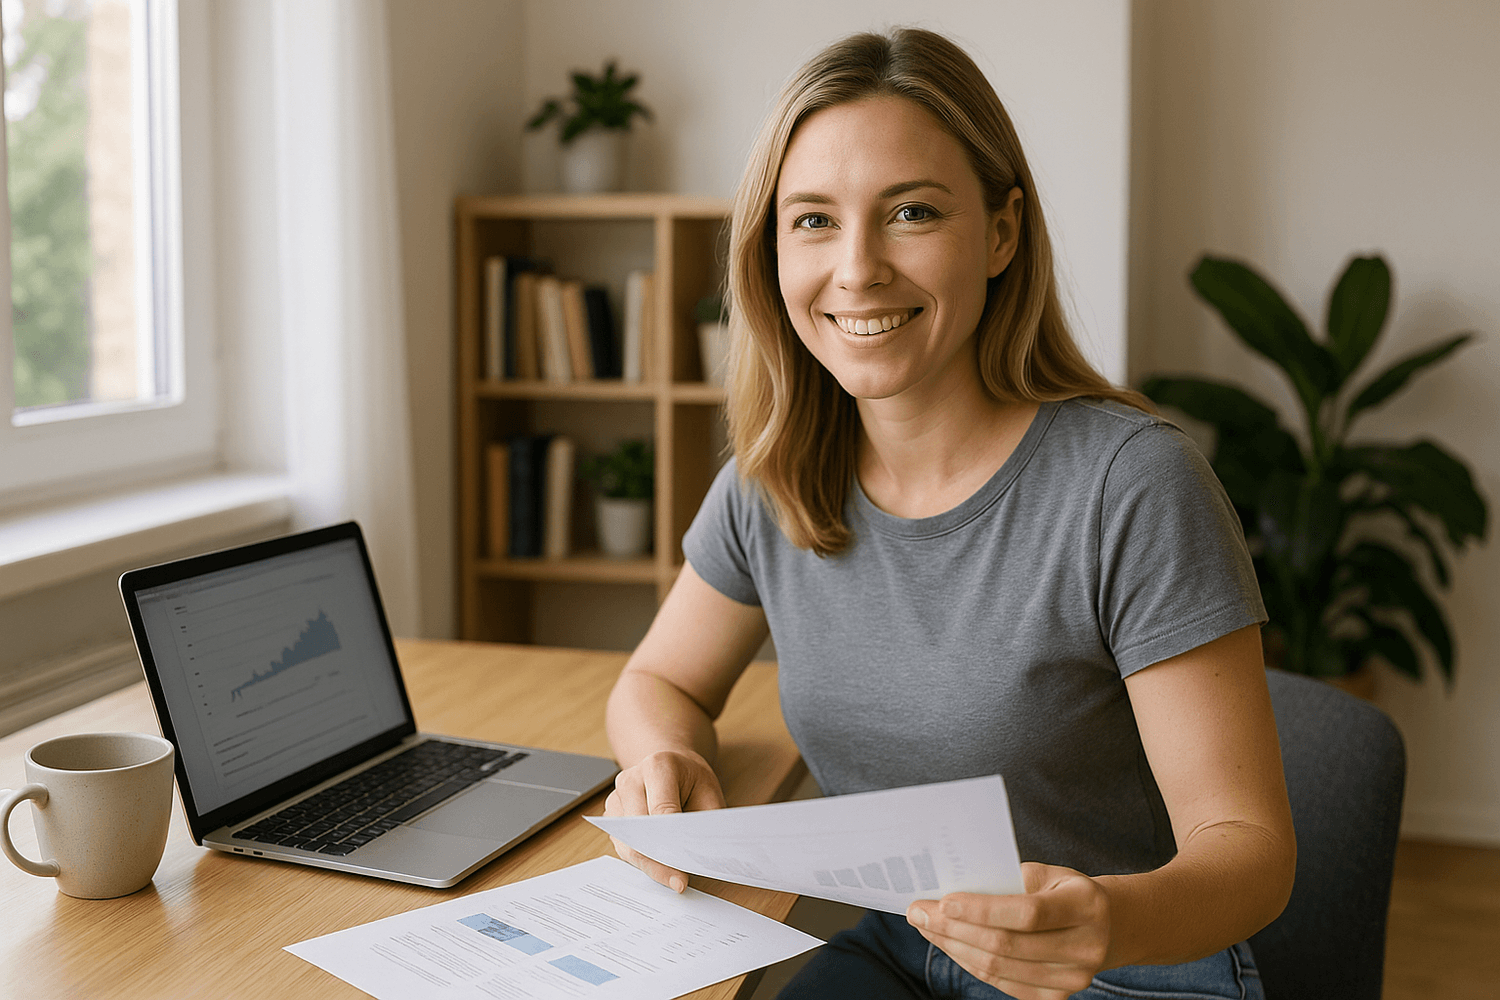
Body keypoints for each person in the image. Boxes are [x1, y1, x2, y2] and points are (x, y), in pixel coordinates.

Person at [603, 27, 1294, 1000]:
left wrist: (1105, 921)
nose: (857, 268)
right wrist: (663, 756)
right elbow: (658, 679)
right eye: (812, 221)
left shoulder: (1132, 484)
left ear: (1002, 231)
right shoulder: (776, 481)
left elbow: (1253, 850)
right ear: (770, 251)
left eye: (912, 212)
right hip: (905, 951)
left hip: (1122, 970)